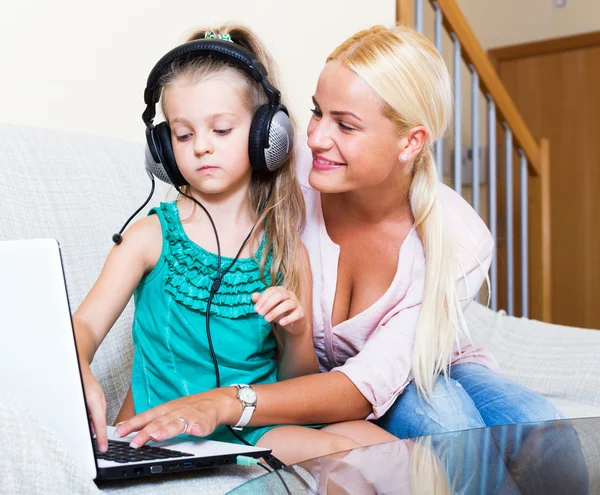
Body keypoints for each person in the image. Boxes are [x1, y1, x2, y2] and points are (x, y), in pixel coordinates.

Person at [115, 24, 561, 450]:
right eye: (316, 112)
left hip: (407, 369)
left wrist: (231, 402)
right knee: (445, 421)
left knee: (537, 423)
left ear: (410, 143)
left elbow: (368, 383)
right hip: (313, 385)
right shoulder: (281, 162)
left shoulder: (460, 238)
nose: (317, 137)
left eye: (345, 125)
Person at [73, 25, 394, 466]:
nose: (202, 147)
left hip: (254, 427)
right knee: (343, 456)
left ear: (267, 135)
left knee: (382, 445)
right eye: (184, 136)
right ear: (163, 150)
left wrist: (296, 332)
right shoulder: (150, 237)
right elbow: (85, 325)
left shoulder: (285, 252)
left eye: (221, 130)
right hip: (169, 425)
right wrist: (79, 365)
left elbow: (292, 383)